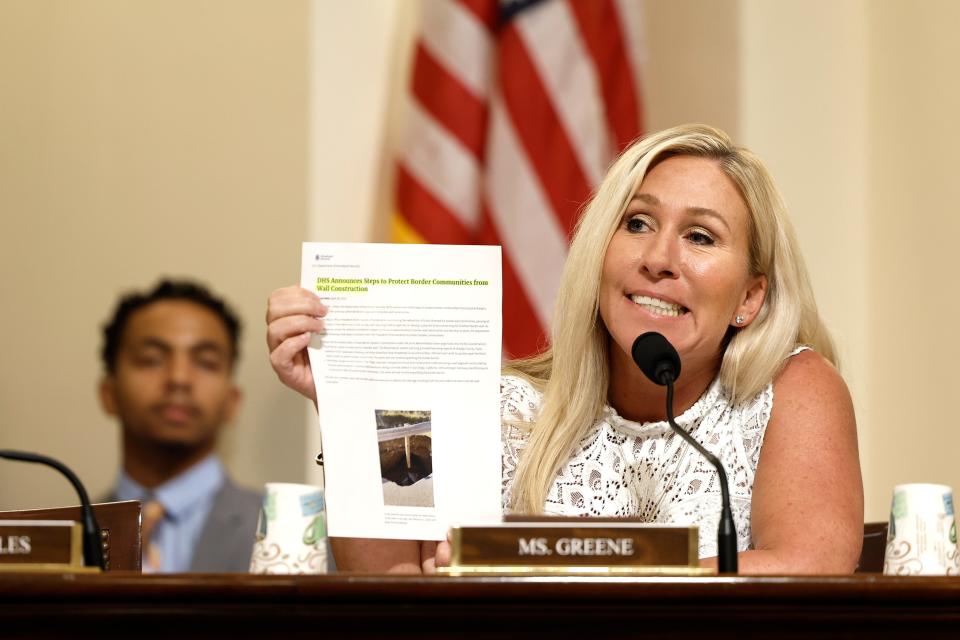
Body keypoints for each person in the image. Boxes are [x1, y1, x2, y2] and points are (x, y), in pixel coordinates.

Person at [266, 124, 863, 574]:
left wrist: (550, 571)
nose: (658, 258)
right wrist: (345, 401)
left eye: (700, 236)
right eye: (636, 223)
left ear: (749, 298)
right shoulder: (505, 407)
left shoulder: (790, 390)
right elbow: (386, 579)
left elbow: (809, 568)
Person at [99, 279, 261, 572]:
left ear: (232, 401)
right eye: (152, 359)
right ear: (108, 394)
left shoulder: (291, 533)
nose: (179, 379)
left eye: (206, 362)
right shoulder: (56, 538)